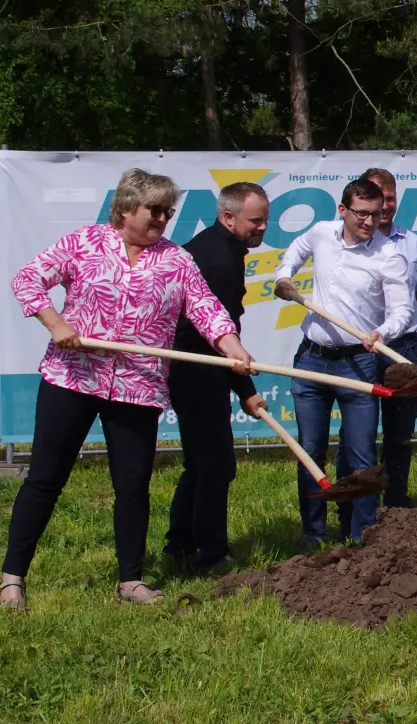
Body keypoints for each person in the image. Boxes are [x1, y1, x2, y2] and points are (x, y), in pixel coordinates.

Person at [3, 169, 256, 610]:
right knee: (45, 479)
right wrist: (56, 322)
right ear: (124, 210)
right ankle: (13, 580)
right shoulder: (84, 243)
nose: (162, 218)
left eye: (168, 211)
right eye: (154, 210)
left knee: (132, 485)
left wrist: (231, 346)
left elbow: (207, 310)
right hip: (73, 377)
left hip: (137, 386)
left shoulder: (175, 260)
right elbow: (27, 279)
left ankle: (131, 581)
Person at [274, 179, 414, 550]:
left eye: (377, 214)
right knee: (311, 450)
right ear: (343, 211)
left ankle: (363, 534)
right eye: (362, 214)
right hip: (311, 362)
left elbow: (403, 309)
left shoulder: (388, 254)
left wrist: (382, 332)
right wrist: (283, 277)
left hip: (358, 364)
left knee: (363, 455)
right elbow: (295, 251)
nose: (369, 221)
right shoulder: (322, 233)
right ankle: (313, 534)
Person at [165, 182, 272, 575]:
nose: (263, 228)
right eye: (255, 221)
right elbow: (222, 329)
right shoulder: (220, 260)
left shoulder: (214, 246)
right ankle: (209, 556)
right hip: (197, 370)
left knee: (199, 462)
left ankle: (179, 545)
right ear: (228, 217)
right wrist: (244, 386)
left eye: (266, 220)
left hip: (196, 368)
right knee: (216, 465)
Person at [361, 167, 417, 508]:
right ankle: (359, 505)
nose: (385, 205)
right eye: (377, 197)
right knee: (359, 433)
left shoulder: (414, 243)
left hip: (403, 346)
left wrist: (394, 324)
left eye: (389, 198)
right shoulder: (349, 243)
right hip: (358, 347)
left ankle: (395, 502)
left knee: (400, 434)